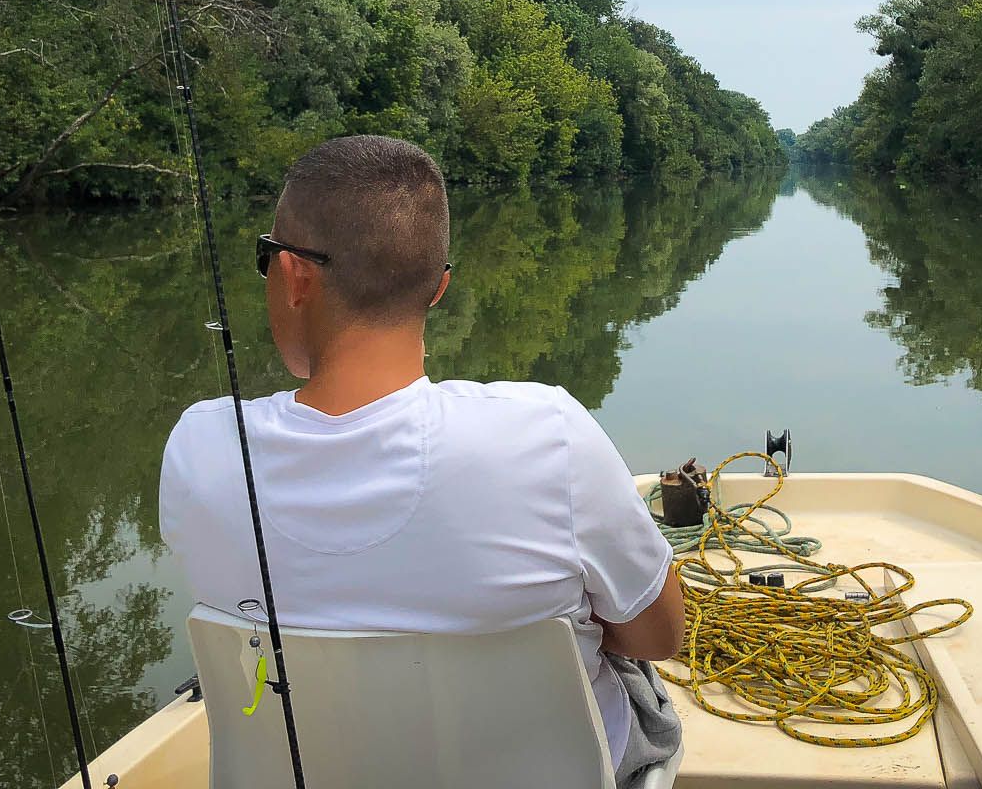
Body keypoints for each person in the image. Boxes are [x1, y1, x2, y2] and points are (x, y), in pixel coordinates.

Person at [160, 134, 685, 784]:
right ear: (438, 288)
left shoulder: (200, 452)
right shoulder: (550, 436)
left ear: (294, 276)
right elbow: (660, 635)